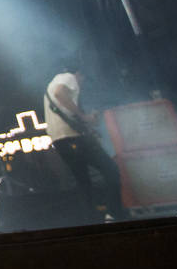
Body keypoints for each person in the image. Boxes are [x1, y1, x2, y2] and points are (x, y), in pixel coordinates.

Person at [44, 69, 127, 222]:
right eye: (84, 79)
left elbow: (62, 106)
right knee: (111, 170)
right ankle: (114, 213)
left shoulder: (52, 82)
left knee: (83, 181)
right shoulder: (68, 78)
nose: (82, 84)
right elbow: (59, 93)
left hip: (59, 140)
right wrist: (84, 116)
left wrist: (86, 121)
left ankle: (90, 219)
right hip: (73, 138)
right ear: (80, 74)